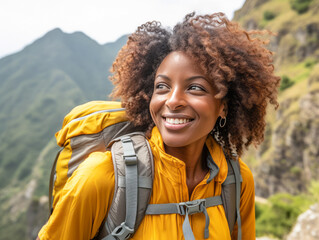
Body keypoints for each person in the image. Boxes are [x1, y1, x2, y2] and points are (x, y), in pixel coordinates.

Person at [37, 12, 280, 240]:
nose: (172, 101)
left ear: (224, 107)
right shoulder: (103, 177)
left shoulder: (235, 180)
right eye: (162, 87)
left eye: (195, 88)